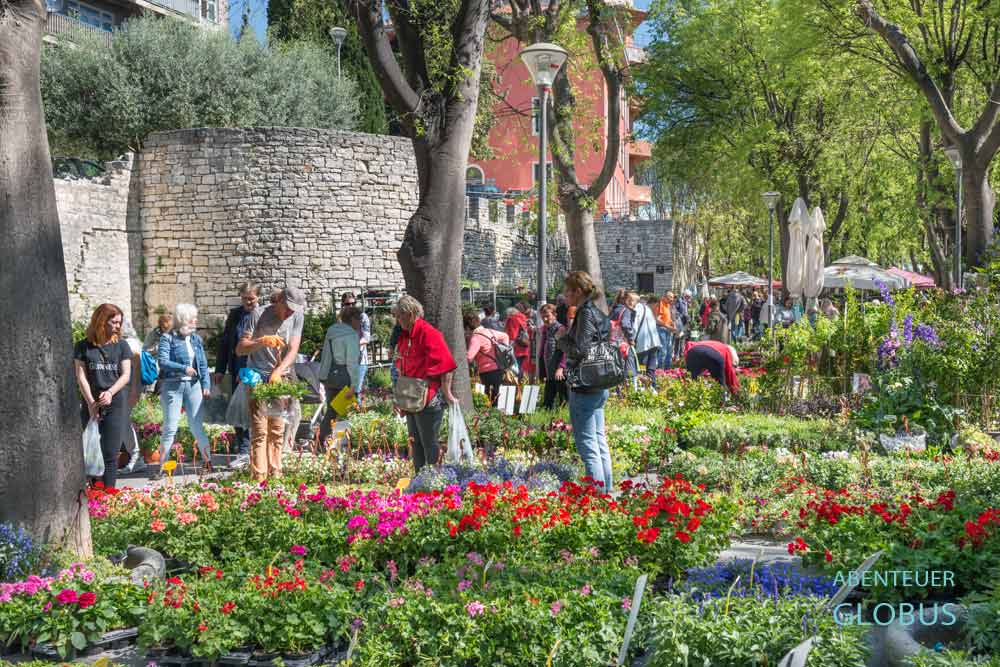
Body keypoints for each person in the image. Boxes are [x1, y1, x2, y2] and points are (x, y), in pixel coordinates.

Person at [236, 287, 306, 482]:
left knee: (277, 429)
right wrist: (262, 341)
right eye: (288, 308)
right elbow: (240, 349)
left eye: (294, 310)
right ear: (280, 301)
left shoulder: (297, 316)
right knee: (260, 431)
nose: (290, 313)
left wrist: (278, 371)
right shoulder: (257, 314)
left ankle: (275, 477)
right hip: (257, 377)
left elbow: (293, 350)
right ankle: (259, 479)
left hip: (280, 379)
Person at [557, 271, 613, 493]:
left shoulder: (585, 314)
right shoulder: (598, 312)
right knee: (599, 442)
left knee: (589, 445)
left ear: (578, 292)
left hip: (585, 386)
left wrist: (562, 340)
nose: (564, 296)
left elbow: (581, 349)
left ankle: (597, 496)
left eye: (567, 292)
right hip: (599, 384)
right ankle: (606, 491)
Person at [393, 296, 458, 473]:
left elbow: (446, 365)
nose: (397, 320)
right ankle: (420, 480)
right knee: (415, 440)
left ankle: (434, 481)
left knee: (429, 442)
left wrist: (447, 392)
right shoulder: (405, 336)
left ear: (410, 314)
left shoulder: (429, 333)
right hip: (411, 395)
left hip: (427, 396)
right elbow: (401, 367)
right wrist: (398, 397)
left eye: (399, 316)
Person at [74, 304, 133, 489]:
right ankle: (91, 494)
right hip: (90, 401)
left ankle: (108, 496)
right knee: (88, 450)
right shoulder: (83, 346)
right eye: (114, 322)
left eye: (119, 323)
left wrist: (109, 393)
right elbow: (80, 376)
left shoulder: (122, 346)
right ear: (101, 321)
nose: (117, 326)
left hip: (114, 402)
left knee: (110, 452)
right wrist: (91, 402)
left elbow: (126, 375)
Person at [155, 303, 213, 477]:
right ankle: (162, 468)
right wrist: (183, 368)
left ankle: (208, 462)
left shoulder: (196, 339)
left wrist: (206, 385)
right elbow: (163, 361)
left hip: (194, 387)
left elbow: (202, 364)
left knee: (196, 426)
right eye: (193, 318)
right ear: (184, 320)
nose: (196, 321)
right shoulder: (168, 338)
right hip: (173, 386)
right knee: (170, 427)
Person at [213, 282, 260, 464]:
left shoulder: (262, 316)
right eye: (245, 298)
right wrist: (219, 369)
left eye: (251, 298)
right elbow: (225, 344)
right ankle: (242, 448)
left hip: (255, 370)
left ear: (258, 297)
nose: (248, 302)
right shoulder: (235, 315)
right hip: (236, 369)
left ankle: (251, 448)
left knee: (254, 409)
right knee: (238, 409)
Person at [318, 305, 363, 448]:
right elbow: (352, 362)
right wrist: (354, 385)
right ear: (353, 319)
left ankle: (325, 442)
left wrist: (323, 377)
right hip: (345, 378)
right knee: (343, 412)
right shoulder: (351, 335)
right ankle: (338, 444)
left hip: (330, 376)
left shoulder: (332, 331)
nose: (361, 322)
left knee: (332, 410)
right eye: (359, 319)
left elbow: (325, 355)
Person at [465, 311, 511, 405]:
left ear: (467, 327)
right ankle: (499, 417)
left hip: (486, 372)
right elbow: (505, 336)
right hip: (498, 368)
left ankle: (492, 417)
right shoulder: (489, 331)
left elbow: (469, 357)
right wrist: (503, 350)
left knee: (490, 399)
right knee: (497, 398)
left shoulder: (476, 337)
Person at [624, 292, 660, 388]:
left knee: (641, 371)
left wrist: (630, 340)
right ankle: (653, 389)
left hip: (643, 345)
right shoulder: (646, 308)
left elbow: (634, 327)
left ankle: (643, 392)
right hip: (654, 342)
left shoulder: (636, 310)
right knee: (651, 370)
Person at [340, 293, 371, 396]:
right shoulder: (340, 319)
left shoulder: (362, 317)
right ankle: (346, 412)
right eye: (348, 304)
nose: (351, 306)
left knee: (356, 392)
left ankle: (356, 411)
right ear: (343, 305)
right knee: (344, 391)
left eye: (354, 303)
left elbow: (366, 338)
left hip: (359, 360)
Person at [538, 303, 567, 409]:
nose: (545, 319)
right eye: (543, 317)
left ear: (554, 315)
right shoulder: (546, 330)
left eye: (547, 316)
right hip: (549, 370)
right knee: (548, 401)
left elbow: (565, 350)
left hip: (558, 371)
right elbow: (542, 351)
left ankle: (563, 421)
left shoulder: (560, 329)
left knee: (563, 399)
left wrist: (561, 367)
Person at [505, 302, 532, 379]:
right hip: (525, 346)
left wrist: (509, 347)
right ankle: (521, 384)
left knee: (515, 369)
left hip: (517, 348)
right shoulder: (523, 317)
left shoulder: (513, 319)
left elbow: (513, 335)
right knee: (522, 368)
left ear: (510, 314)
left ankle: (517, 387)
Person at [655, 292, 677, 369]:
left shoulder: (667, 305)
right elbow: (657, 320)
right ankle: (660, 370)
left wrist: (672, 324)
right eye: (670, 297)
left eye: (672, 297)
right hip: (662, 330)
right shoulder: (661, 303)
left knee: (669, 351)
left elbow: (667, 318)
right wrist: (668, 327)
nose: (672, 299)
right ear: (664, 297)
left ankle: (668, 370)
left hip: (667, 330)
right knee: (663, 351)